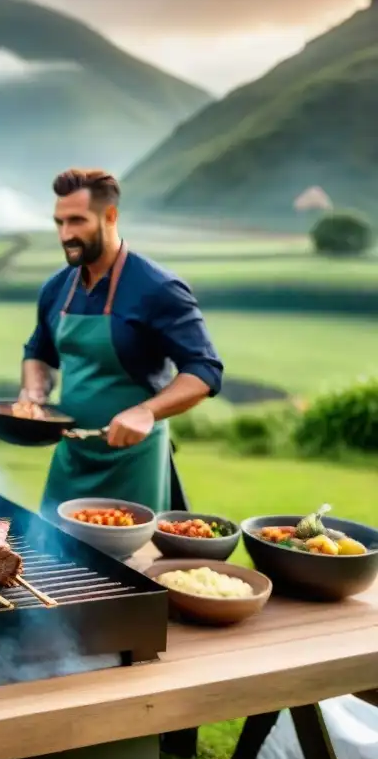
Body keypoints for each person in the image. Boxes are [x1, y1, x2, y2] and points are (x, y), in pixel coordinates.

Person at [21, 169, 223, 516]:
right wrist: (34, 392)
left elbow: (204, 371)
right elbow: (37, 352)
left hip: (135, 464)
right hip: (72, 458)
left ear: (110, 216)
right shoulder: (56, 288)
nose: (66, 234)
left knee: (130, 566)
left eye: (77, 221)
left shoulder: (158, 288)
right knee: (52, 557)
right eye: (59, 223)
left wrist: (147, 411)